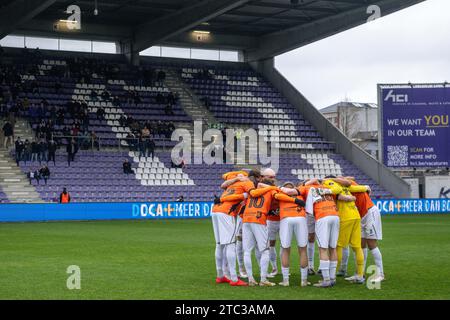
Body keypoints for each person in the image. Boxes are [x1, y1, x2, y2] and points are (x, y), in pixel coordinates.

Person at [211, 170, 259, 287]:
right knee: (231, 244)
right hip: (227, 212)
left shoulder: (232, 183)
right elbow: (253, 194)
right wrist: (244, 195)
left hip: (216, 210)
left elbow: (223, 182)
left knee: (219, 244)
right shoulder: (248, 183)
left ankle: (220, 275)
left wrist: (237, 179)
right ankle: (233, 278)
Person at [322, 176, 371, 284]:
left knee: (338, 246)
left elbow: (338, 194)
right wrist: (366, 187)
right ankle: (359, 275)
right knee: (357, 247)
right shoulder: (345, 186)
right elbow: (356, 188)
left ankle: (332, 274)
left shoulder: (330, 183)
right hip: (356, 215)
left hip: (345, 217)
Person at [338, 177, 384, 283]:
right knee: (360, 245)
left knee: (371, 244)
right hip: (360, 215)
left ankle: (380, 274)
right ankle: (360, 273)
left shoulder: (349, 185)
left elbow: (350, 179)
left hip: (369, 213)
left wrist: (333, 179)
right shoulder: (344, 188)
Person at [273, 182, 308, 287]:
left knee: (285, 249)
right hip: (300, 217)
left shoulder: (280, 193)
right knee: (302, 249)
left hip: (286, 218)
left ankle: (286, 280)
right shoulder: (300, 193)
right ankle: (304, 280)